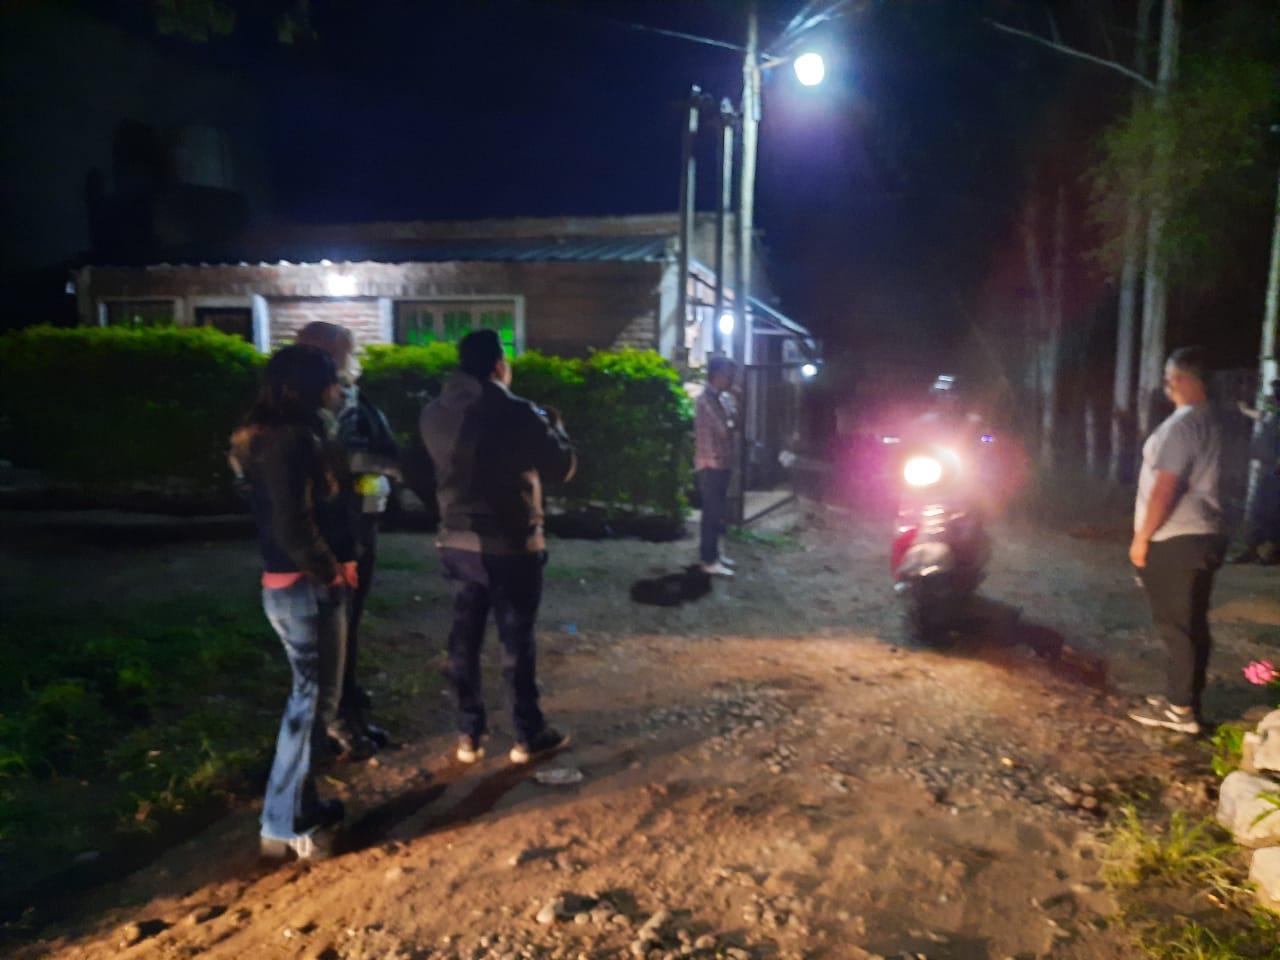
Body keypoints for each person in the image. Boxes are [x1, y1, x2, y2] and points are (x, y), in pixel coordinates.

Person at [420, 329, 576, 765]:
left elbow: (420, 469)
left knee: (464, 638)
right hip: (511, 544)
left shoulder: (432, 413)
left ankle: (468, 734)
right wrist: (555, 427)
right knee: (516, 640)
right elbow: (561, 467)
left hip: (456, 541)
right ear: (498, 365)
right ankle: (528, 733)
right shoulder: (516, 411)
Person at [230, 345, 355, 860]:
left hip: (287, 584)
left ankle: (296, 810)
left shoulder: (258, 438)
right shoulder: (292, 440)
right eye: (333, 380)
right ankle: (285, 824)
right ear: (312, 387)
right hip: (305, 587)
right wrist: (330, 570)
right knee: (310, 706)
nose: (338, 388)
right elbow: (293, 522)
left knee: (310, 703)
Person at [295, 321, 401, 751]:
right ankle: (329, 726)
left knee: (348, 626)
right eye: (347, 351)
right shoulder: (295, 411)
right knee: (324, 635)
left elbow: (385, 450)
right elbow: (325, 463)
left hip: (359, 529)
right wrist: (370, 465)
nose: (352, 360)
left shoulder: (355, 400)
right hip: (321, 539)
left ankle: (349, 708)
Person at [1127, 347, 1227, 736]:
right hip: (1207, 534)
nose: (1167, 385)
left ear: (1184, 379)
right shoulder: (1214, 421)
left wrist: (1142, 538)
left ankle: (1181, 710)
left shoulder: (1182, 426)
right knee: (1191, 623)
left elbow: (1165, 487)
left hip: (1176, 538)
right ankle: (1181, 698)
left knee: (1176, 626)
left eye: (1170, 377)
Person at [694, 356, 738, 578]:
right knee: (711, 514)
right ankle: (708, 559)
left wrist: (731, 412)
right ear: (717, 374)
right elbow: (724, 429)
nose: (730, 379)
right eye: (727, 374)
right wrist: (730, 419)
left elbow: (734, 422)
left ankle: (715, 555)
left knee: (718, 512)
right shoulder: (705, 400)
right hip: (710, 463)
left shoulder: (722, 398)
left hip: (722, 462)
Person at [1230, 378, 1280, 564]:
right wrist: (1244, 410)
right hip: (1267, 469)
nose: (1273, 397)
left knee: (1273, 512)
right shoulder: (1273, 414)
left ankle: (1272, 551)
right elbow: (1262, 415)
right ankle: (1253, 548)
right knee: (1259, 511)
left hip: (1275, 471)